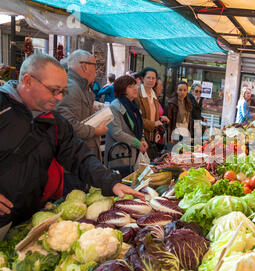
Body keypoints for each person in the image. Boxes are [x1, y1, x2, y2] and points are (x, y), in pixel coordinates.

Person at [0, 53, 144, 230]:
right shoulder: (3, 108)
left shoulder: (55, 121)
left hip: (26, 220)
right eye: (54, 90)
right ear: (28, 81)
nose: (59, 98)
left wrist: (111, 182)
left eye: (62, 91)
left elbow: (79, 156)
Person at [55, 49, 109, 195]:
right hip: (73, 163)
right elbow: (68, 124)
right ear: (84, 66)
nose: (96, 71)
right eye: (94, 65)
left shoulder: (82, 87)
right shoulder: (72, 87)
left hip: (82, 160)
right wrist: (96, 131)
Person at [104, 75, 148, 176]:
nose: (135, 88)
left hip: (132, 155)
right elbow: (116, 132)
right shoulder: (114, 107)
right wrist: (137, 143)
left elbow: (139, 126)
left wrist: (142, 139)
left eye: (135, 85)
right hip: (120, 155)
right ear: (122, 89)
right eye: (130, 86)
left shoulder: (134, 106)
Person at [135, 67, 169, 158]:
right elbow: (136, 118)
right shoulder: (137, 94)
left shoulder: (153, 95)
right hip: (141, 137)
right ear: (142, 78)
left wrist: (160, 118)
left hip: (152, 138)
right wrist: (153, 123)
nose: (151, 80)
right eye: (148, 77)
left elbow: (152, 115)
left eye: (153, 78)